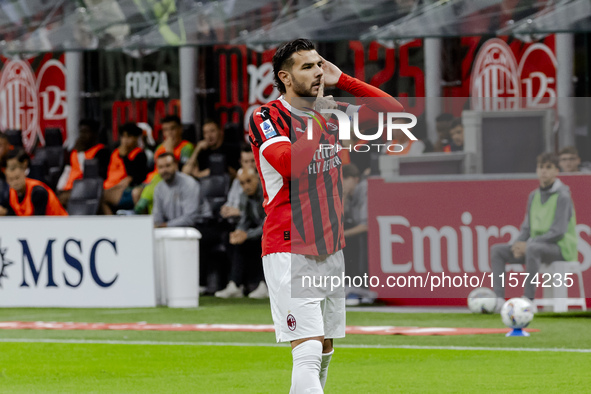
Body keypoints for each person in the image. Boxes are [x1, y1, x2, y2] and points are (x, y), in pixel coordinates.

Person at [248, 38, 403, 393]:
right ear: (285, 78)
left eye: (319, 64)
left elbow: (394, 113)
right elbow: (291, 164)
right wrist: (320, 115)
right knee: (308, 348)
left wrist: (344, 80)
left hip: (330, 247)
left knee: (325, 348)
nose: (317, 71)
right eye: (307, 67)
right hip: (289, 245)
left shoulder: (333, 113)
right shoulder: (267, 117)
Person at [490, 153, 577, 310]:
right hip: (536, 248)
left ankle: (528, 301)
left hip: (561, 249)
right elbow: (526, 228)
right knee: (497, 250)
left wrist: (528, 244)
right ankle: (498, 300)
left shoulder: (563, 196)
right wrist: (517, 245)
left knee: (532, 248)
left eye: (548, 167)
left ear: (556, 171)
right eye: (541, 167)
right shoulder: (533, 196)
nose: (544, 171)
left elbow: (558, 231)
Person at [215, 168, 267, 299]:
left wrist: (247, 234)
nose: (246, 186)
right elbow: (244, 219)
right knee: (233, 240)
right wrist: (239, 232)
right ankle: (236, 284)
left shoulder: (267, 194)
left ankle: (264, 285)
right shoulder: (244, 196)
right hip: (258, 231)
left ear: (258, 179)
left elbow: (269, 223)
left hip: (275, 231)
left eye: (249, 181)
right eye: (242, 183)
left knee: (263, 240)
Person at [135, 115, 194, 214]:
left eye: (172, 129)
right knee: (136, 192)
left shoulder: (187, 147)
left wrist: (169, 149)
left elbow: (179, 171)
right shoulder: (159, 148)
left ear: (180, 129)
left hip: (171, 181)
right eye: (166, 130)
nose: (169, 133)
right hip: (152, 181)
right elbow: (152, 167)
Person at [58, 119, 110, 207]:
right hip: (68, 188)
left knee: (61, 200)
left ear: (94, 134)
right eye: (81, 132)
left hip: (85, 189)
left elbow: (95, 175)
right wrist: (59, 187)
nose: (82, 135)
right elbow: (67, 170)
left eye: (86, 132)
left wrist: (80, 154)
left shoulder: (101, 152)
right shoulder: (74, 151)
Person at [2, 149, 67, 216]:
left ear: (24, 174)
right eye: (11, 179)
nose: (15, 182)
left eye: (17, 178)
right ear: (7, 181)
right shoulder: (9, 193)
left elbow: (38, 221)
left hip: (59, 223)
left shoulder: (38, 191)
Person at [102, 123, 148, 214]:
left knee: (100, 197)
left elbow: (133, 177)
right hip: (109, 187)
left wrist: (125, 157)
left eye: (129, 137)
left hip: (126, 191)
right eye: (123, 136)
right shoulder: (115, 152)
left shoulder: (140, 154)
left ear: (136, 138)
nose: (125, 140)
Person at [152, 152, 202, 228]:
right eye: (161, 167)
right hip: (171, 229)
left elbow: (191, 218)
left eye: (168, 166)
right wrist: (158, 224)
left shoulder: (189, 184)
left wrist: (165, 225)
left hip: (196, 227)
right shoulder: (159, 188)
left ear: (175, 165)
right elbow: (157, 216)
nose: (164, 170)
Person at [220, 144, 256, 220]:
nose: (250, 165)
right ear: (241, 162)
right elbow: (230, 201)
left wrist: (240, 212)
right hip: (233, 220)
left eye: (253, 161)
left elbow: (259, 211)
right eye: (246, 162)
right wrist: (225, 208)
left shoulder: (261, 181)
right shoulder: (237, 180)